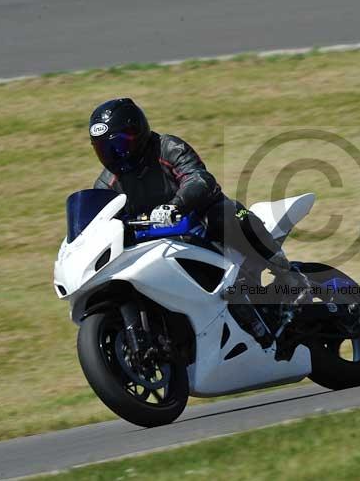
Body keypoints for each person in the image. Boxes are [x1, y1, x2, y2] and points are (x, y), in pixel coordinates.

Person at [89, 98, 310, 347]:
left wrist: (176, 205)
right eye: (104, 149)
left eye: (120, 145)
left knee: (225, 216)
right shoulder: (107, 183)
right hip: (159, 246)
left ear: (137, 132)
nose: (114, 154)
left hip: (202, 222)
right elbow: (99, 221)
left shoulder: (166, 148)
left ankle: (290, 277)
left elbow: (200, 178)